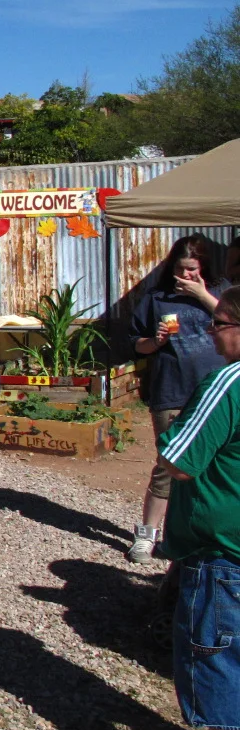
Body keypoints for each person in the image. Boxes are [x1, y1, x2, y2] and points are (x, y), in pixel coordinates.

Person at [147, 286, 240, 730]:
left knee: (220, 658)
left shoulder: (228, 380)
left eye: (220, 322)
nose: (212, 332)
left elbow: (178, 458)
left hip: (223, 545)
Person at [128, 236, 231, 563]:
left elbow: (235, 321)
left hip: (214, 394)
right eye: (180, 269)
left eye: (192, 270)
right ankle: (147, 535)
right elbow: (137, 343)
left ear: (204, 269)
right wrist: (154, 342)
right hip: (172, 390)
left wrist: (203, 295)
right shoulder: (158, 298)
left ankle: (198, 534)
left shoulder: (223, 294)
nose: (184, 276)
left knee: (214, 466)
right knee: (168, 464)